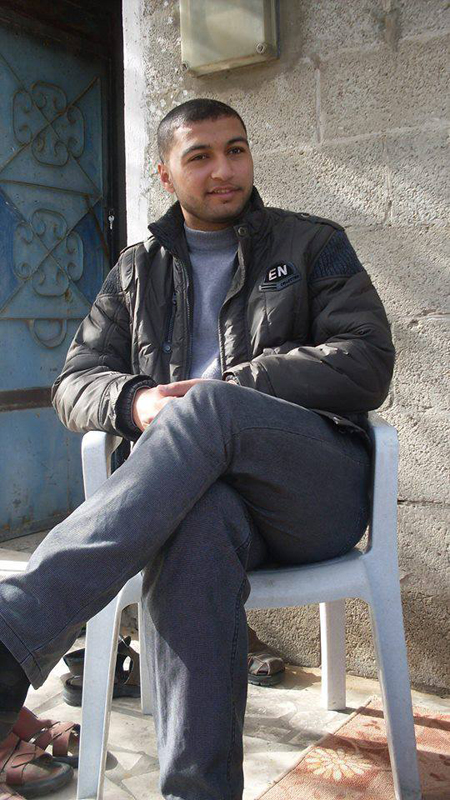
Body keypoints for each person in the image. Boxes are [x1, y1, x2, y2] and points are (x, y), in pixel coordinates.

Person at [0, 98, 394, 800]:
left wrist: (232, 386)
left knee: (208, 406)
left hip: (311, 490)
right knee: (195, 533)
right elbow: (73, 383)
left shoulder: (312, 244)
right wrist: (136, 402)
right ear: (165, 173)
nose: (224, 170)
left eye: (236, 150)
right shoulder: (135, 271)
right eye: (200, 156)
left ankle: (10, 639)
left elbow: (367, 360)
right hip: (201, 503)